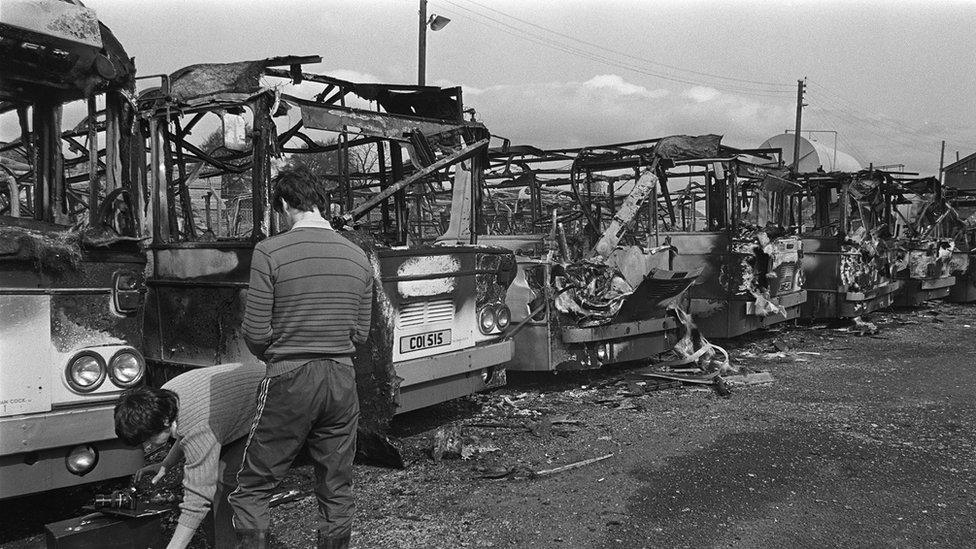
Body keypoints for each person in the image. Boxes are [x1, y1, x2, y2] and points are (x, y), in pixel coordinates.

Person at [229, 166, 373, 549]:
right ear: (321, 205)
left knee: (253, 485)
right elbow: (360, 334)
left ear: (285, 204)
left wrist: (278, 356)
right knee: (336, 482)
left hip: (290, 378)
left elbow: (256, 332)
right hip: (342, 379)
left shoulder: (270, 251)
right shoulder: (359, 257)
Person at [113, 362, 265, 549]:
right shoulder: (163, 399)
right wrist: (166, 464)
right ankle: (221, 542)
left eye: (148, 438)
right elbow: (185, 432)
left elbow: (197, 497)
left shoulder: (198, 425)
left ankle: (235, 544)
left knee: (231, 484)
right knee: (217, 482)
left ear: (164, 420)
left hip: (270, 400)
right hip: (239, 400)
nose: (147, 446)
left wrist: (174, 546)